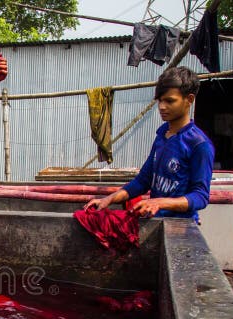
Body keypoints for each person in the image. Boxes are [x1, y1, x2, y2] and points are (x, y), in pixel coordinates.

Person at [84, 66, 215, 220]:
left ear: (189, 100)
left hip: (181, 226)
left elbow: (200, 196)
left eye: (169, 101)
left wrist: (160, 202)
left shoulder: (199, 144)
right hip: (155, 220)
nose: (162, 106)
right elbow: (144, 180)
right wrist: (109, 199)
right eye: (159, 100)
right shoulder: (162, 136)